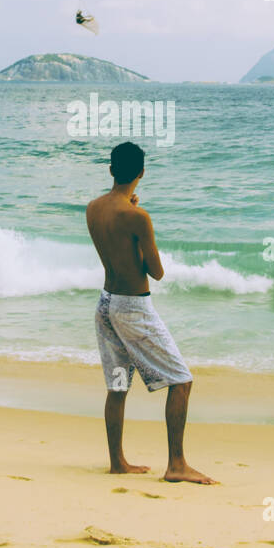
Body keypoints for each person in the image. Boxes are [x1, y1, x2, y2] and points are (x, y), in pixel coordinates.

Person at [85, 142, 216, 484]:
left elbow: (115, 243)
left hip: (106, 303)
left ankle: (117, 462)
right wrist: (140, 230)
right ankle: (176, 465)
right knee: (181, 380)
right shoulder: (137, 216)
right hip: (133, 306)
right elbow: (155, 271)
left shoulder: (93, 208)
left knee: (117, 385)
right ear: (142, 173)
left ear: (111, 170)